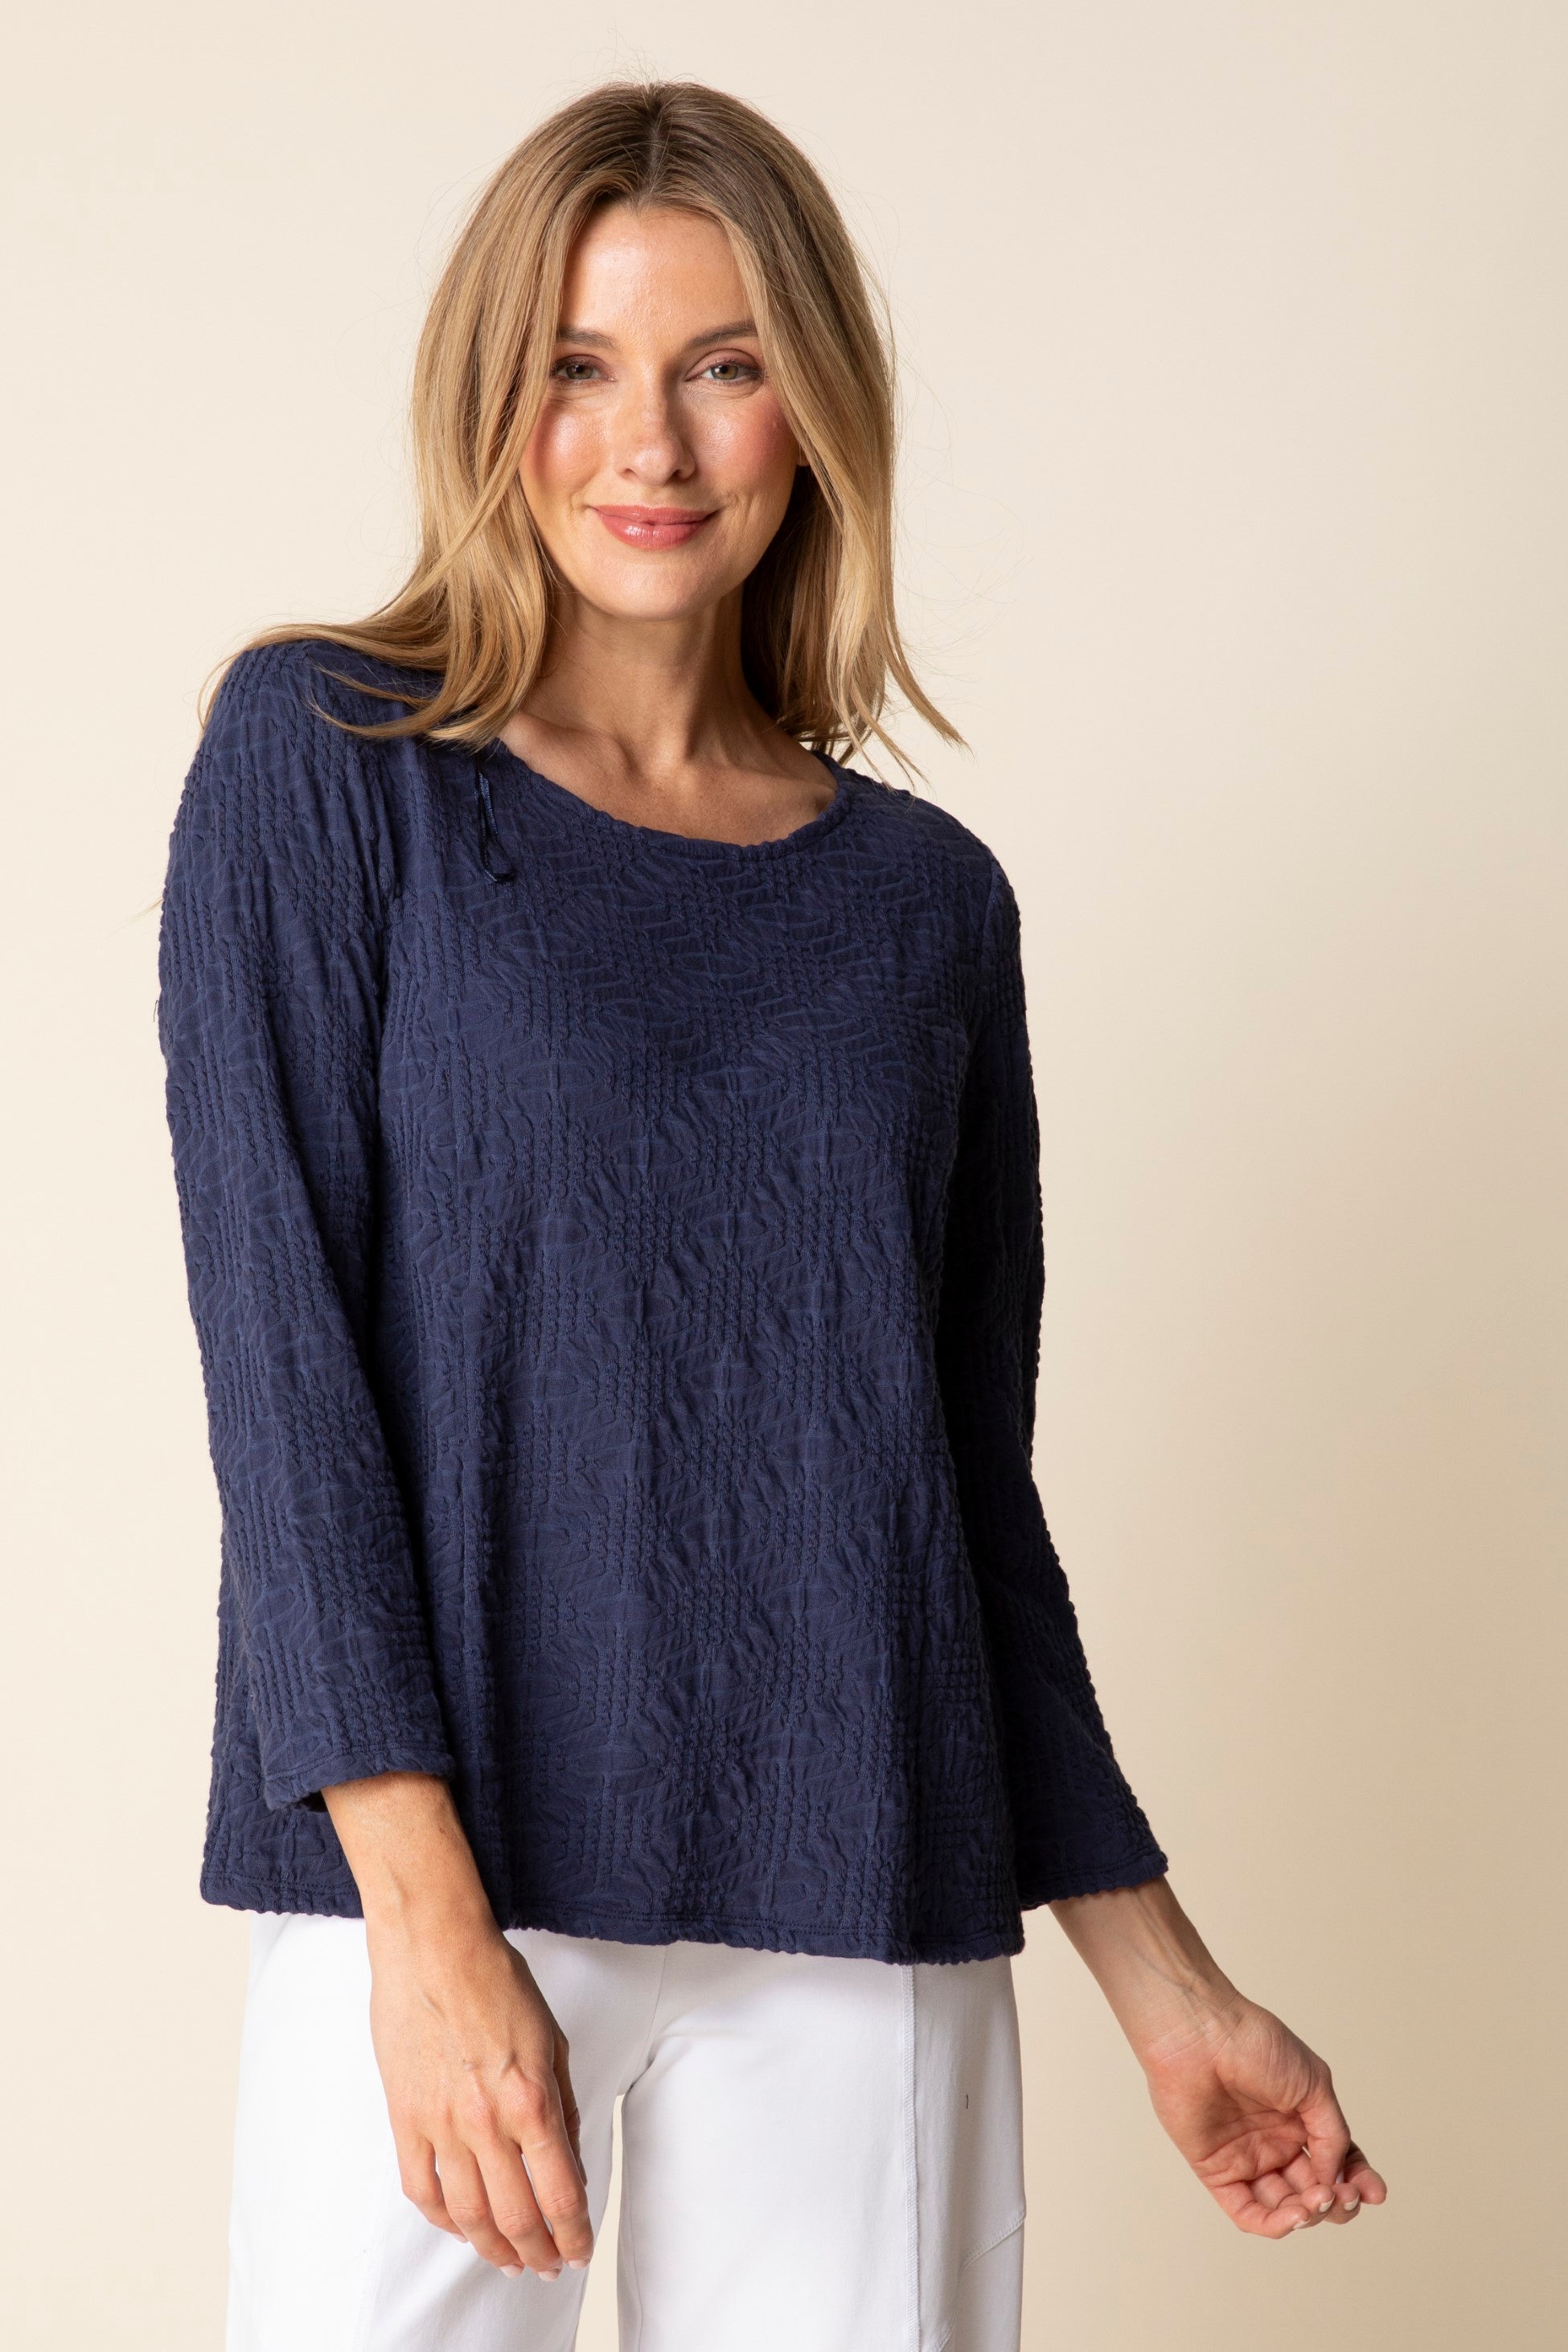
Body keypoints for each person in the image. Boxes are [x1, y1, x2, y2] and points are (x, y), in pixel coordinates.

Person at [156, 77, 1386, 2352]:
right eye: (580, 366)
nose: (652, 441)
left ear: (810, 409)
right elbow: (286, 1374)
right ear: (491, 397)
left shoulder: (925, 905)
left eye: (723, 365)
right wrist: (422, 1931)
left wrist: (1169, 1985)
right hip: (447, 1885)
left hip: (865, 1877)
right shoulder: (328, 766)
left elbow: (955, 1497)